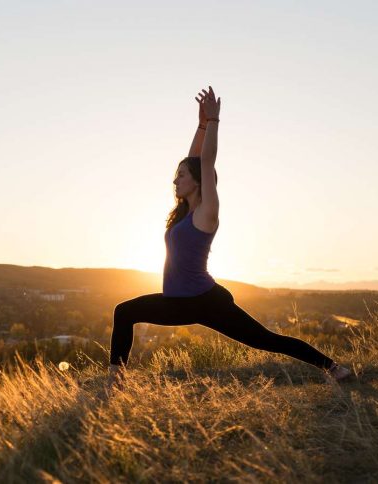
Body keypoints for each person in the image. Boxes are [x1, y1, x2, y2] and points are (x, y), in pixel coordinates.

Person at [107, 85, 352, 389]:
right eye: (176, 175)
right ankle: (115, 381)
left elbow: (205, 162)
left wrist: (214, 121)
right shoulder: (184, 212)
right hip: (176, 302)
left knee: (266, 340)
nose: (175, 179)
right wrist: (199, 125)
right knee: (125, 311)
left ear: (198, 182)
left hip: (207, 302)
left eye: (182, 175)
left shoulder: (206, 212)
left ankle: (332, 366)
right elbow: (195, 159)